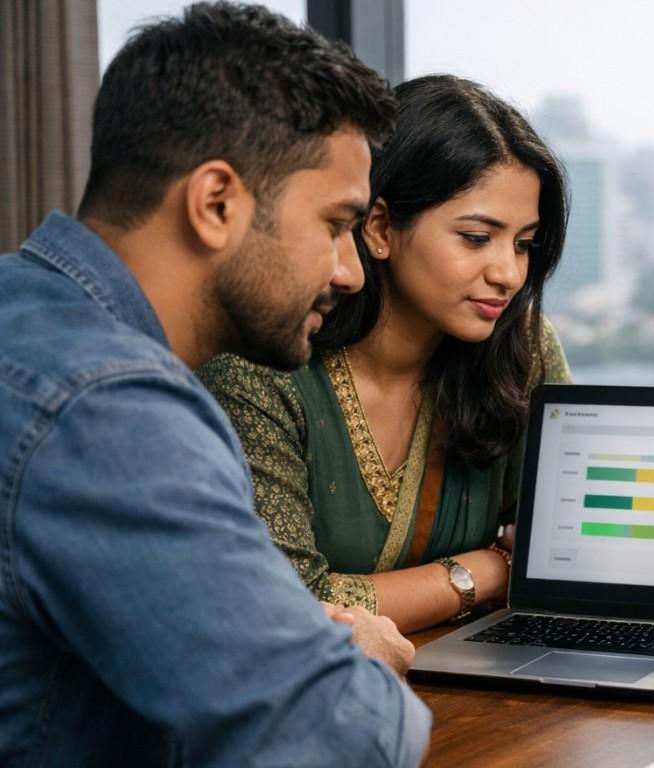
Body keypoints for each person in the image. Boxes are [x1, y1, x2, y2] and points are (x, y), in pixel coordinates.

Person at [0, 3, 432, 765]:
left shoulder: (22, 313)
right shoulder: (108, 410)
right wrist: (354, 657)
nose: (351, 272)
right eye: (335, 225)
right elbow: (331, 739)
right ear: (216, 203)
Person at [199, 74, 572, 634]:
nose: (509, 274)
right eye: (476, 238)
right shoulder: (263, 369)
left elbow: (563, 552)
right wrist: (487, 571)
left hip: (483, 681)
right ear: (379, 228)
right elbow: (289, 604)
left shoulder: (522, 350)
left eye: (523, 244)